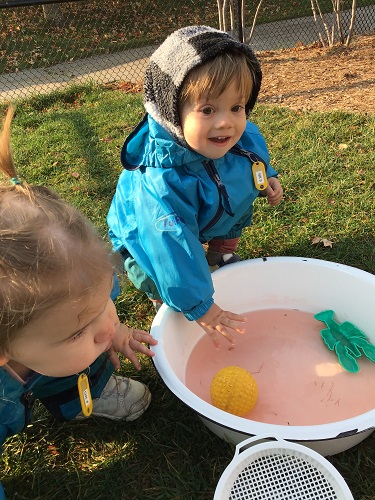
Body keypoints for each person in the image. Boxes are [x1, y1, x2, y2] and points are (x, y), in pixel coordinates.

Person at [0, 107, 157, 499]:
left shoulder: (78, 289)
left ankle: (85, 391)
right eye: (76, 330)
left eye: (105, 300)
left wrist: (114, 330)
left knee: (79, 354)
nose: (106, 322)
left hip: (44, 361)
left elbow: (96, 318)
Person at [107, 25, 283, 348]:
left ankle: (220, 255)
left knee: (236, 191)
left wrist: (267, 176)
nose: (226, 122)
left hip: (204, 207)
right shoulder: (160, 184)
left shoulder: (234, 138)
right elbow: (170, 245)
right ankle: (165, 300)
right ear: (173, 112)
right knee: (158, 270)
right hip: (141, 232)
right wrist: (201, 306)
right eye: (207, 110)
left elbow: (252, 155)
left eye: (236, 107)